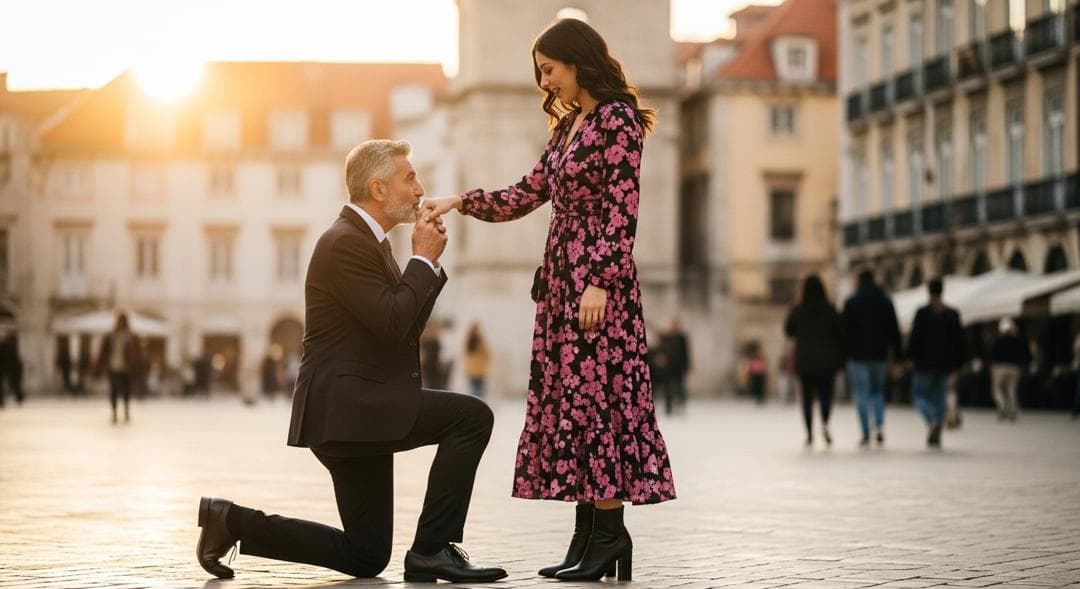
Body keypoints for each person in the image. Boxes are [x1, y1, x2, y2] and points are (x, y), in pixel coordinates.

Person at [422, 18, 676, 582]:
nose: (545, 83)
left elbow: (623, 208)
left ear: (577, 60)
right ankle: (590, 537)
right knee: (575, 402)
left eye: (549, 70)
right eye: (540, 73)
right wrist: (460, 201)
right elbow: (525, 194)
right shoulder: (567, 129)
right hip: (563, 280)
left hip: (594, 283)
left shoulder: (617, 120)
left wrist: (601, 281)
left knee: (599, 398)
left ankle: (609, 536)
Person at [194, 140, 505, 583]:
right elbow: (394, 322)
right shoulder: (345, 243)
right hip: (351, 407)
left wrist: (427, 266)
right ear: (378, 189)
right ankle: (432, 550)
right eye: (409, 178)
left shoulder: (369, 243)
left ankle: (230, 522)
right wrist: (421, 259)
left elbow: (400, 330)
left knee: (366, 555)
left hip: (357, 411)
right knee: (472, 417)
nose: (420, 189)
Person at [842, 269, 903, 447]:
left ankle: (865, 433)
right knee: (877, 392)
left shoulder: (851, 303)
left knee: (862, 393)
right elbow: (894, 330)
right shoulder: (885, 302)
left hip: (858, 356)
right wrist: (898, 354)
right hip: (880, 355)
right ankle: (879, 426)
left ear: (859, 281)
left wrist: (844, 354)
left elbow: (844, 332)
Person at [784, 275, 845, 448]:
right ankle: (825, 423)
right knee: (826, 394)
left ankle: (809, 433)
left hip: (805, 360)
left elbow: (788, 330)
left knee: (807, 398)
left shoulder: (798, 309)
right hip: (827, 360)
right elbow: (840, 334)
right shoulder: (830, 309)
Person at [906, 278, 965, 448]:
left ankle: (932, 419)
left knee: (919, 395)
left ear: (928, 291)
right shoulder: (952, 313)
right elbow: (959, 342)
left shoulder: (922, 313)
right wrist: (958, 365)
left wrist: (909, 358)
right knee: (940, 398)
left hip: (924, 363)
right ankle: (937, 427)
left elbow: (914, 338)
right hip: (946, 364)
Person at [95, 313, 139, 424]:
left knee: (126, 390)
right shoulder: (111, 335)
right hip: (113, 366)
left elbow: (137, 352)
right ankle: (114, 412)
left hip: (126, 368)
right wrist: (100, 364)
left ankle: (126, 410)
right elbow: (104, 351)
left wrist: (134, 364)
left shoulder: (131, 336)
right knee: (113, 390)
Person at [990, 317, 1029, 422]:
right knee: (1012, 390)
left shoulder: (997, 340)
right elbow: (1024, 353)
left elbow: (992, 355)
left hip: (1000, 367)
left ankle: (1002, 406)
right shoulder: (1017, 340)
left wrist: (992, 368)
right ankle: (1012, 410)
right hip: (1014, 368)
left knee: (997, 390)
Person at [659, 317, 691, 414]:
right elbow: (662, 351)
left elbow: (686, 352)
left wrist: (687, 366)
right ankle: (668, 407)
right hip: (669, 366)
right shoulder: (666, 338)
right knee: (667, 387)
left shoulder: (682, 338)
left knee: (680, 386)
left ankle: (680, 405)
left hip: (679, 366)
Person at [462, 322, 491, 398]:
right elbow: (487, 353)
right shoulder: (471, 341)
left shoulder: (478, 341)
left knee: (478, 392)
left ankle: (478, 406)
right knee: (475, 392)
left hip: (477, 371)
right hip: (474, 371)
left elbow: (488, 354)